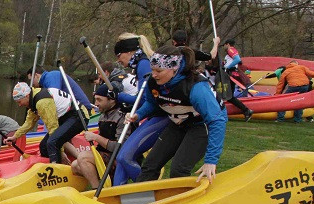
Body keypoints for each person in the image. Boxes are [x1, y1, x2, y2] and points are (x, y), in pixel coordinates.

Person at [131, 45, 228, 182]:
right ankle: (140, 201)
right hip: (177, 123)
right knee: (150, 165)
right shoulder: (153, 82)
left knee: (179, 169)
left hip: (201, 124)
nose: (154, 74)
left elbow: (217, 121)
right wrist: (138, 114)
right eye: (152, 69)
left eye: (159, 70)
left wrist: (211, 161)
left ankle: (182, 200)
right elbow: (152, 103)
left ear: (174, 69)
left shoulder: (196, 87)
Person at [109, 33, 170, 185]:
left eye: (119, 54)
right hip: (153, 115)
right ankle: (119, 194)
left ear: (129, 52)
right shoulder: (140, 64)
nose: (118, 59)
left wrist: (118, 96)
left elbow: (142, 99)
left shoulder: (143, 64)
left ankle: (147, 189)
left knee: (124, 156)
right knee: (122, 156)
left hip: (161, 116)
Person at [173, 30, 253, 120]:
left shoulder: (230, 50)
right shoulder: (192, 52)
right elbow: (211, 56)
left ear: (174, 41)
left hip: (229, 75)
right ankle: (243, 110)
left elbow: (237, 59)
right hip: (198, 81)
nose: (224, 47)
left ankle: (244, 110)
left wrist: (226, 67)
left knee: (227, 96)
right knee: (226, 96)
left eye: (224, 45)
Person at [67, 84, 130, 190]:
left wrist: (95, 138)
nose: (96, 104)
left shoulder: (122, 117)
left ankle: (97, 189)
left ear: (111, 100)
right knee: (75, 166)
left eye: (99, 100)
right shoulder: (102, 116)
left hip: (118, 158)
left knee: (83, 157)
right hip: (106, 155)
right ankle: (102, 184)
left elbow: (119, 147)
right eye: (95, 100)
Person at [6, 82, 79, 163]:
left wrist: (61, 151)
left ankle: (58, 165)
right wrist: (15, 136)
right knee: (43, 146)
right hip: (65, 118)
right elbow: (29, 123)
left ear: (26, 96)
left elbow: (53, 127)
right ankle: (50, 164)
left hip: (76, 116)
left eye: (19, 102)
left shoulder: (42, 102)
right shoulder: (33, 100)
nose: (19, 105)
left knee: (52, 143)